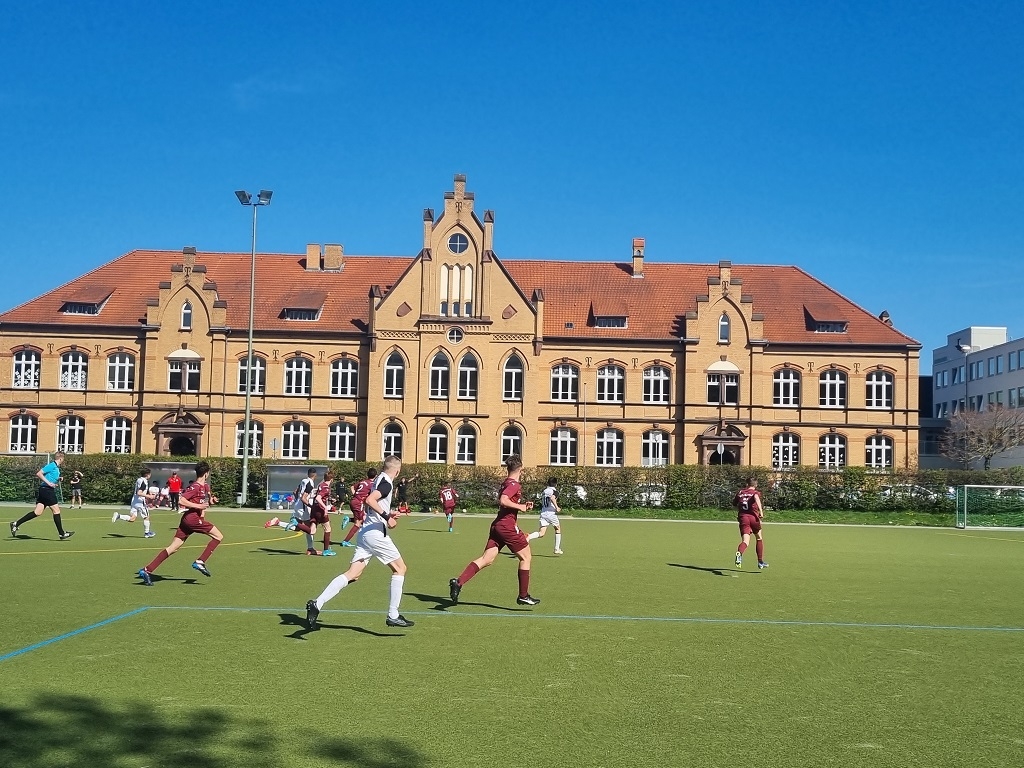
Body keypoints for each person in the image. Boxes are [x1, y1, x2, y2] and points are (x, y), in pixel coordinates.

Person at [305, 455, 414, 629]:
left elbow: (371, 502)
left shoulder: (378, 479)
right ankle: (393, 614)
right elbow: (370, 500)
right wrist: (387, 517)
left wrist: (388, 513)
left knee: (353, 574)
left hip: (365, 533)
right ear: (398, 471)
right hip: (375, 534)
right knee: (400, 569)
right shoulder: (387, 483)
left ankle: (317, 604)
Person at [448, 455, 539, 607]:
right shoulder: (514, 484)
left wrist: (522, 505)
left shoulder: (506, 483)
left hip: (498, 526)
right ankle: (523, 595)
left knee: (487, 559)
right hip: (507, 527)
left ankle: (458, 582)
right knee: (526, 557)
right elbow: (504, 500)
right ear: (521, 469)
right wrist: (521, 507)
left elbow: (506, 501)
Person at [137, 461, 222, 585]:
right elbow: (181, 500)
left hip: (188, 520)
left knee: (173, 548)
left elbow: (201, 503)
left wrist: (210, 502)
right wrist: (198, 506)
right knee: (218, 536)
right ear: (206, 473)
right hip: (193, 519)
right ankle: (200, 561)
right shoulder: (196, 486)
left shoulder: (203, 486)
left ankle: (146, 570)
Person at [10, 452, 74, 540]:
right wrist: (49, 483)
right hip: (47, 490)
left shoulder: (56, 467)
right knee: (56, 510)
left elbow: (50, 477)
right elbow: (39, 473)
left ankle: (15, 524)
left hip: (45, 490)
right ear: (61, 459)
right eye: (63, 459)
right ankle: (62, 534)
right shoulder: (52, 465)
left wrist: (58, 479)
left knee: (37, 512)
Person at [292, 470, 342, 557]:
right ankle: (326, 550)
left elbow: (318, 495)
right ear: (332, 480)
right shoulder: (326, 488)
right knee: (328, 529)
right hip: (320, 510)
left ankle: (297, 524)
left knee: (312, 531)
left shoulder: (321, 485)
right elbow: (318, 498)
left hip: (314, 509)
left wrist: (330, 499)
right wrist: (325, 507)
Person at [337, 468, 377, 548]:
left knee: (364, 520)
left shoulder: (363, 482)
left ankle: (349, 520)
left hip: (354, 501)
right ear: (376, 476)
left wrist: (356, 495)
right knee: (358, 523)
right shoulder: (372, 484)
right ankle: (345, 541)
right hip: (359, 504)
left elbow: (352, 487)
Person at [733, 477, 768, 570]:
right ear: (756, 485)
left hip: (743, 518)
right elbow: (756, 498)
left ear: (747, 484)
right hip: (753, 518)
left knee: (745, 541)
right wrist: (761, 511)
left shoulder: (740, 492)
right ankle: (760, 562)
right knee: (759, 538)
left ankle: (740, 553)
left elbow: (734, 504)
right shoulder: (755, 493)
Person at [112, 467, 157, 537]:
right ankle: (147, 533)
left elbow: (140, 490)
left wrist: (148, 493)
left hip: (134, 501)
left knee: (132, 518)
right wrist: (149, 496)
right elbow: (139, 492)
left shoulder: (139, 479)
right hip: (140, 502)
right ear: (147, 474)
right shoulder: (144, 482)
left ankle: (119, 516)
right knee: (146, 517)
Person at [527, 477, 563, 554]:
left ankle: (528, 537)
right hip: (551, 513)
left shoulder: (544, 491)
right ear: (556, 484)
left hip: (543, 513)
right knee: (557, 529)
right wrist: (557, 507)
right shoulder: (554, 491)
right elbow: (552, 498)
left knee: (541, 533)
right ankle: (556, 549)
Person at [295, 469, 319, 555]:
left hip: (298, 506)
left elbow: (295, 492)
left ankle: (279, 523)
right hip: (303, 508)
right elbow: (303, 498)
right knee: (310, 528)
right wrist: (311, 506)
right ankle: (310, 549)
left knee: (298, 528)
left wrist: (297, 501)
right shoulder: (310, 484)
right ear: (315, 475)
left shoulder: (303, 481)